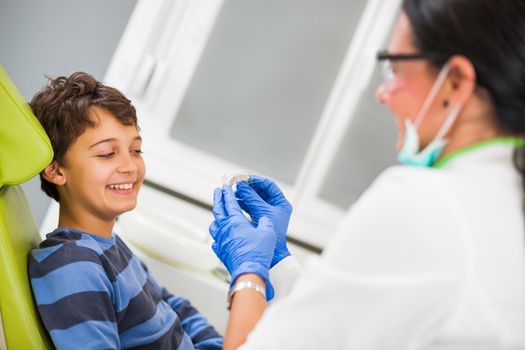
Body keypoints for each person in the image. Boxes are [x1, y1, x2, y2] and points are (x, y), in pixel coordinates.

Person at [209, 0, 525, 348]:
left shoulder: (427, 203)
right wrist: (277, 262)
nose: (382, 93)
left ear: (454, 83)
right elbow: (351, 321)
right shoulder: (502, 202)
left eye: (394, 68)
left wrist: (248, 273)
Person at [28, 72, 223, 349]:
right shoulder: (73, 267)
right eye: (108, 153)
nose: (130, 166)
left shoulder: (112, 247)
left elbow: (174, 308)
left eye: (135, 150)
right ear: (56, 170)